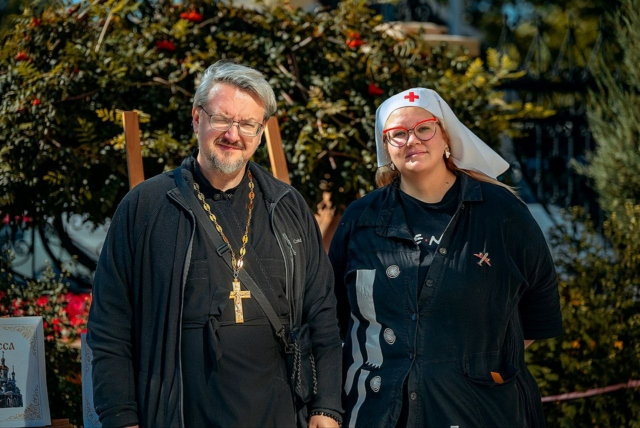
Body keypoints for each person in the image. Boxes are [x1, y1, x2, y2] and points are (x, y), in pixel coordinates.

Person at [87, 61, 343, 428]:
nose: (233, 134)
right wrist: (120, 418)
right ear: (197, 118)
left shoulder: (287, 207)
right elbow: (110, 324)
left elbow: (322, 313)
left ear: (260, 132)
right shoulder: (146, 207)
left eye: (248, 124)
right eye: (222, 119)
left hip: (280, 415)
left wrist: (327, 406)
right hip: (179, 417)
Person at [329, 88, 563, 427]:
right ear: (386, 147)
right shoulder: (361, 219)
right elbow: (333, 314)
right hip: (377, 413)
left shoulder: (502, 214)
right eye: (398, 134)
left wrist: (477, 365)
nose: (412, 140)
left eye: (424, 129)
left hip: (479, 413)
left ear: (445, 136)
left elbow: (539, 309)